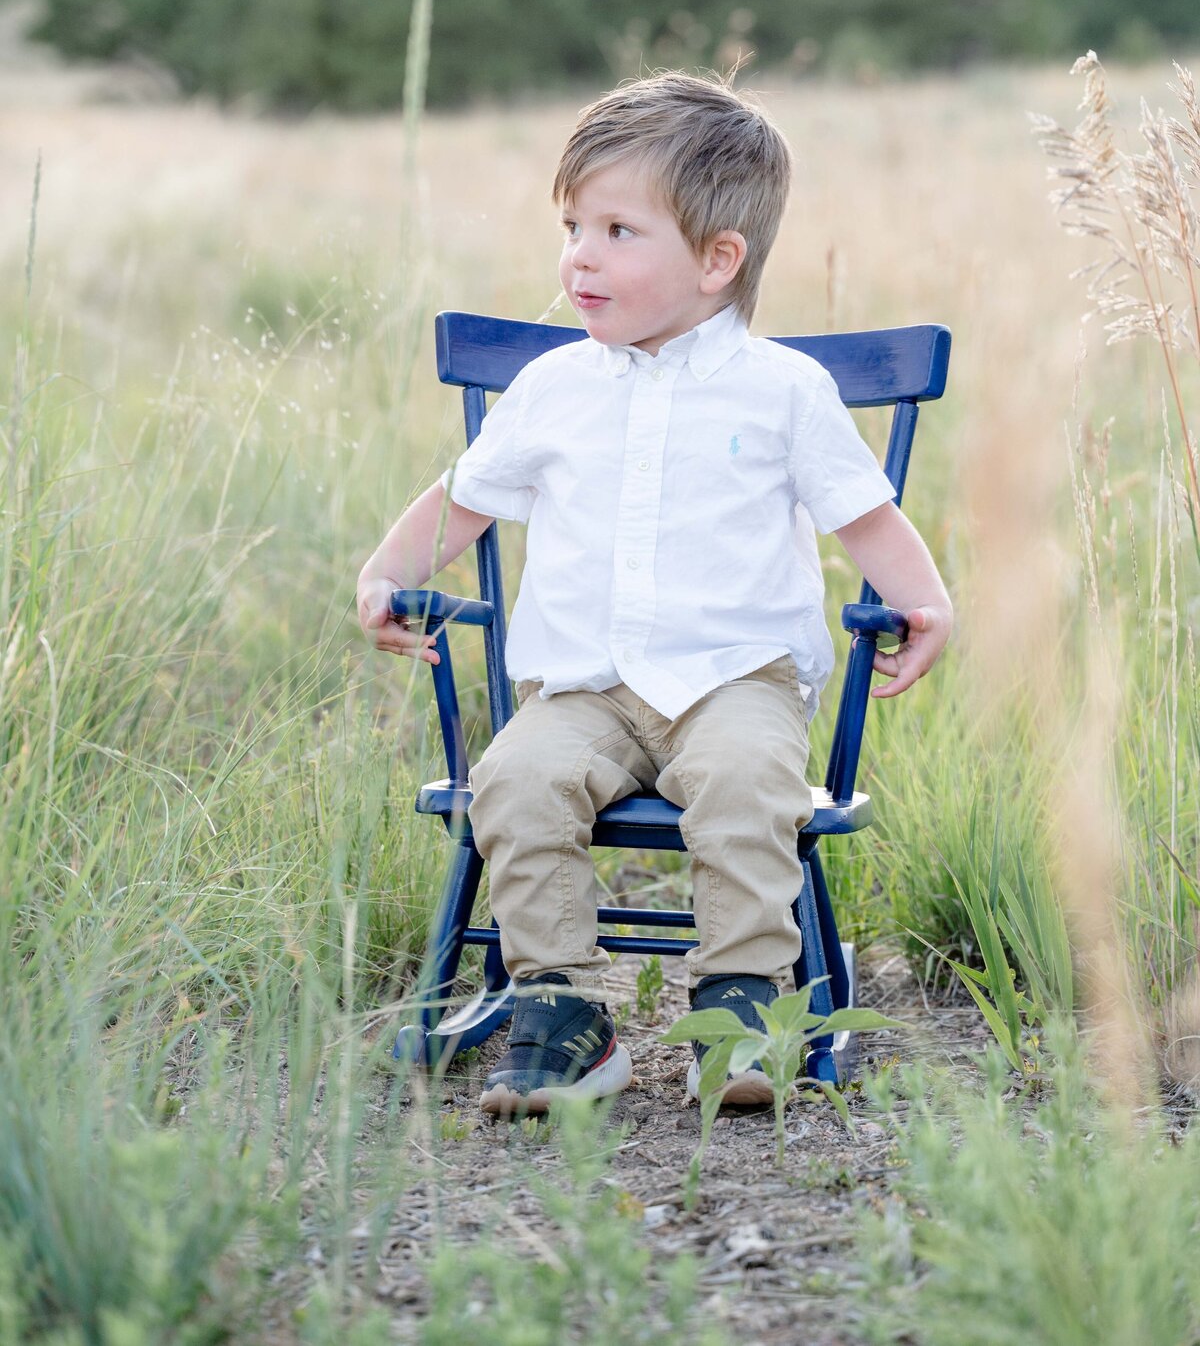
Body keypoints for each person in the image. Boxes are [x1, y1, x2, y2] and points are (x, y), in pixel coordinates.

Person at [357, 71, 952, 1118]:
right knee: (515, 781)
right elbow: (463, 501)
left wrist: (925, 603)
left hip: (736, 681)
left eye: (619, 229)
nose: (579, 254)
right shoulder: (553, 386)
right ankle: (564, 1012)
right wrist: (389, 572)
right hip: (581, 685)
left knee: (744, 785)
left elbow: (866, 517)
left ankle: (739, 1002)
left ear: (718, 261)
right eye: (573, 223)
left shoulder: (783, 392)